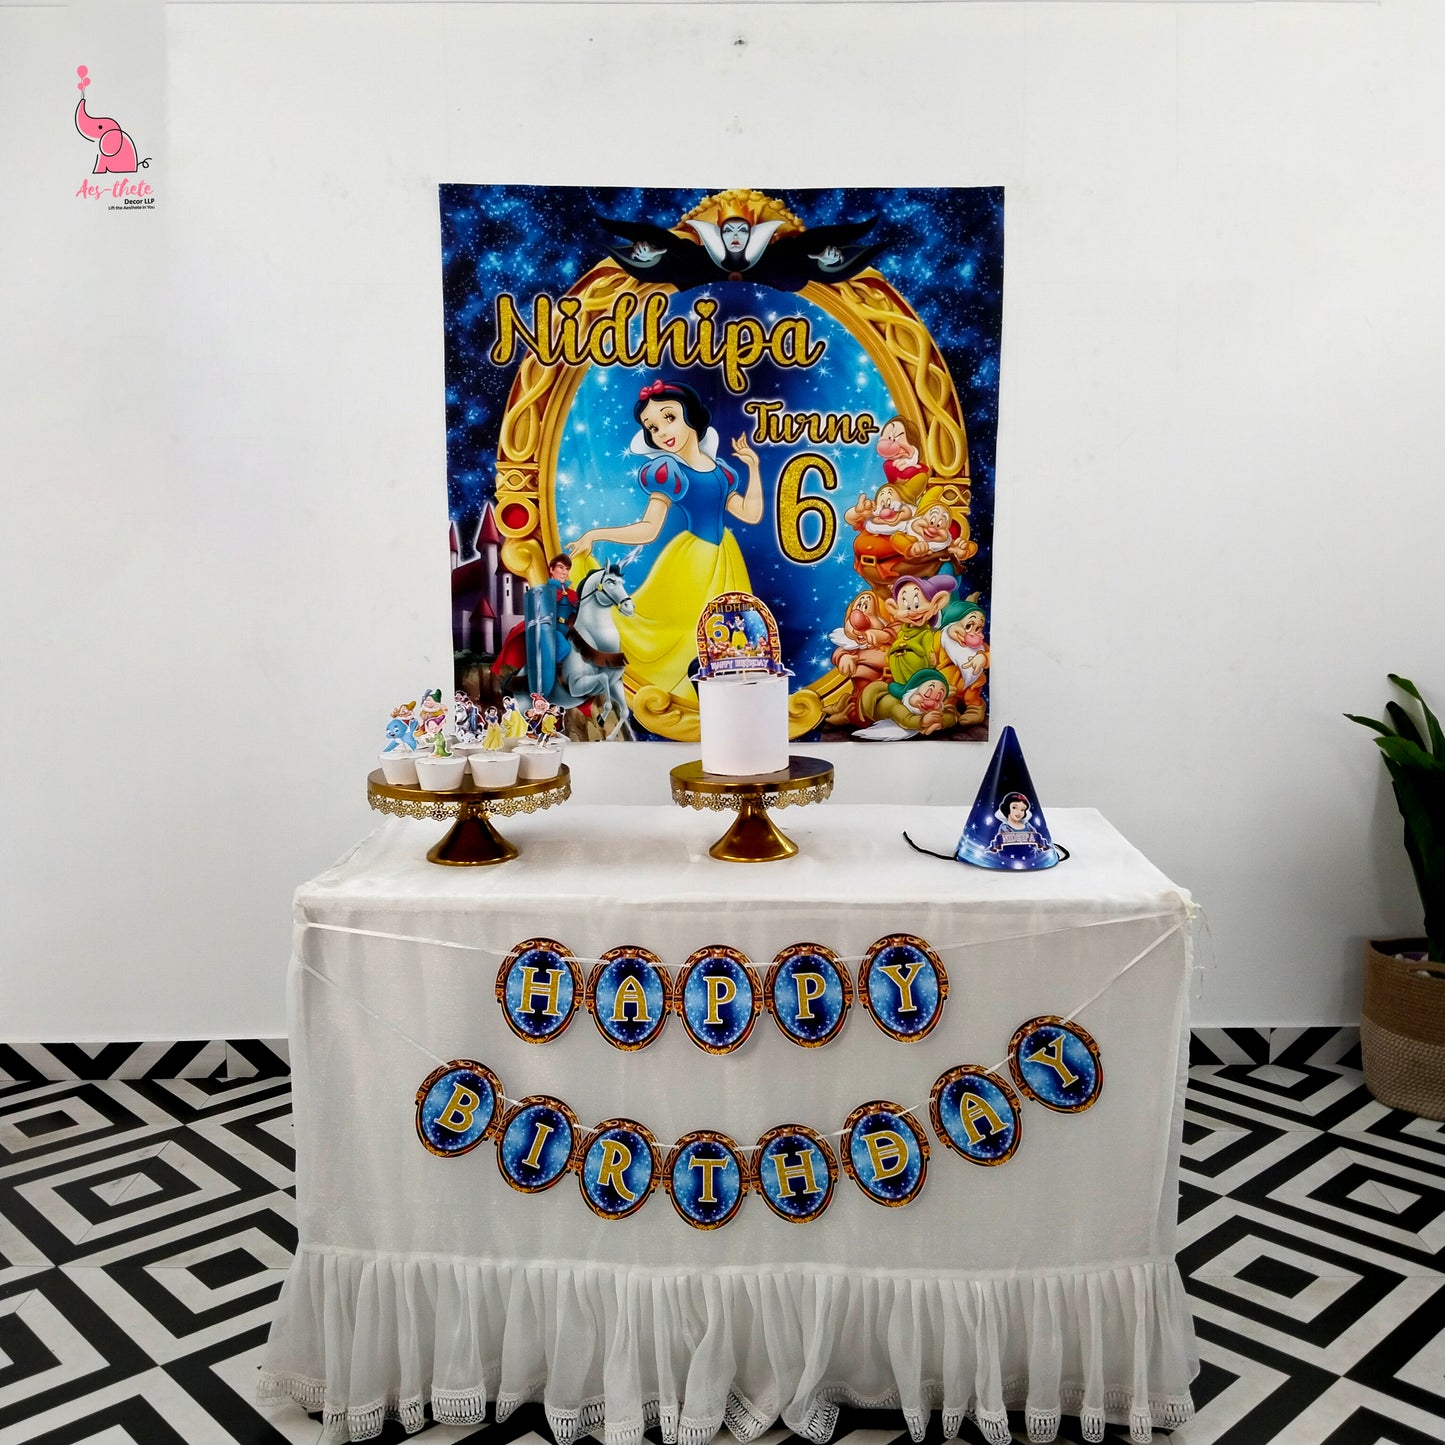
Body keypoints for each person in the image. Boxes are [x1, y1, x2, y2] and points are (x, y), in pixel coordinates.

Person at [568, 380, 763, 699]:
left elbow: (750, 513)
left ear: (692, 416)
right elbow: (649, 528)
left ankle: (725, 697)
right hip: (692, 564)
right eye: (653, 427)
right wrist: (595, 534)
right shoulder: (668, 471)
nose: (661, 432)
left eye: (669, 418)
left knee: (728, 632)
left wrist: (753, 467)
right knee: (686, 633)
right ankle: (689, 696)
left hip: (726, 560)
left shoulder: (723, 471)